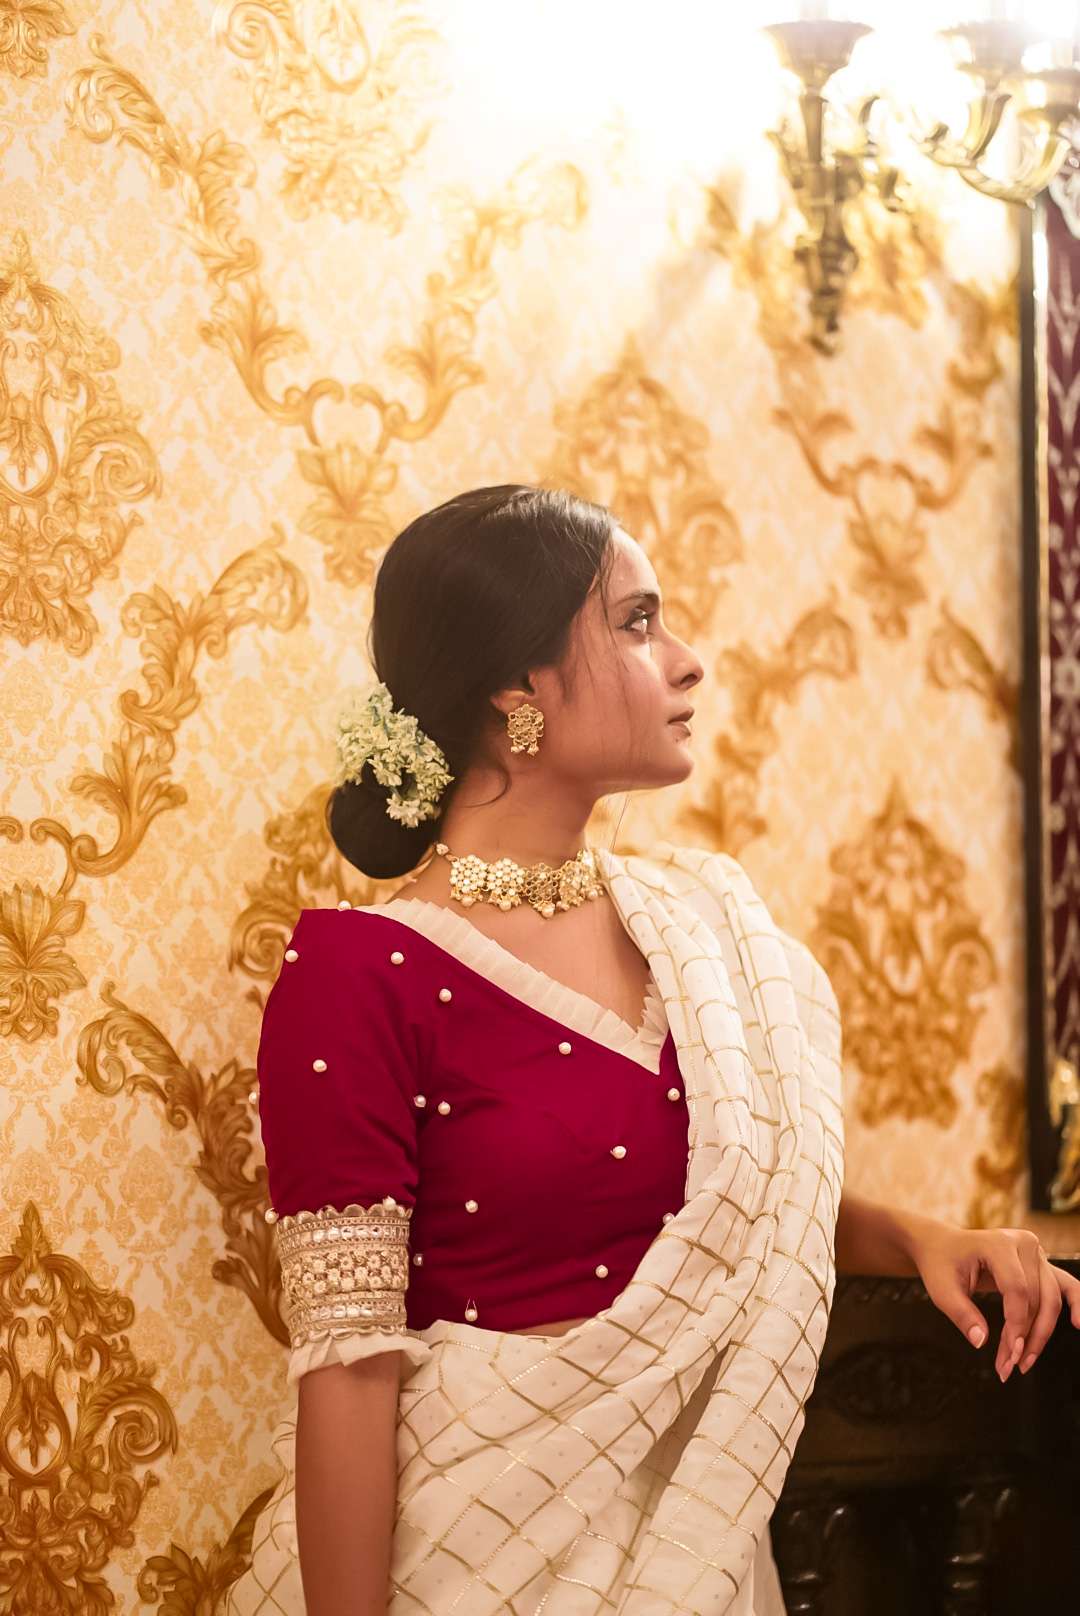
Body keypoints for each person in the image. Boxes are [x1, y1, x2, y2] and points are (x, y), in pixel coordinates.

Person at [226, 484, 1080, 1616]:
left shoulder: (696, 931)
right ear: (517, 687)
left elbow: (728, 1211)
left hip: (699, 1548)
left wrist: (926, 1237)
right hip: (469, 1558)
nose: (689, 660)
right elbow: (349, 1367)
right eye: (637, 622)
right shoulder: (358, 975)